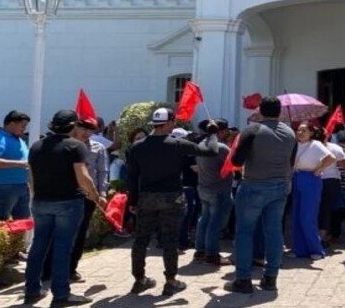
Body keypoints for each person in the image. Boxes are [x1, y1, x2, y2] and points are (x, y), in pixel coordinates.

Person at [126, 108, 219, 296]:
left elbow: (132, 178)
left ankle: (139, 280)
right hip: (172, 197)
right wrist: (213, 133)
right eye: (173, 122)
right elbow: (211, 151)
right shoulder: (177, 144)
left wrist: (133, 201)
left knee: (141, 240)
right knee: (170, 240)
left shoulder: (136, 147)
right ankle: (171, 281)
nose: (175, 125)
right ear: (168, 123)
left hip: (147, 198)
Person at [23, 110, 106, 306]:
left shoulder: (36, 146)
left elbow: (32, 178)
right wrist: (94, 195)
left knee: (38, 246)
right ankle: (61, 294)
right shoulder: (75, 146)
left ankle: (31, 290)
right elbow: (83, 177)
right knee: (63, 247)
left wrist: (37, 197)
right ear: (73, 125)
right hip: (68, 202)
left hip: (41, 201)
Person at [225, 97, 296, 294]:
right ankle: (270, 278)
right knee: (273, 231)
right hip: (280, 185)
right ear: (279, 112)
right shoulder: (290, 132)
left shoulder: (253, 130)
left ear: (260, 111)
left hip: (255, 185)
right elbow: (291, 162)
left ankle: (243, 279)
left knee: (245, 232)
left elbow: (237, 161)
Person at [41, 118, 109, 283]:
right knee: (56, 233)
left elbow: (102, 172)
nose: (86, 132)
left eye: (90, 129)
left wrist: (102, 194)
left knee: (79, 234)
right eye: (82, 128)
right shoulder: (65, 146)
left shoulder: (98, 148)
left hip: (87, 197)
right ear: (74, 127)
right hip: (63, 195)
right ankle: (47, 270)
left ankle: (71, 269)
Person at [290, 122, 334, 260]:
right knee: (296, 216)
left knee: (307, 217)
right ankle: (300, 249)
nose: (300, 133)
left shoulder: (316, 144)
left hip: (310, 178)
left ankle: (316, 249)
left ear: (311, 133)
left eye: (303, 130)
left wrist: (319, 169)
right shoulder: (294, 144)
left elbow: (331, 158)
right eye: (298, 130)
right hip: (296, 176)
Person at [192, 119, 233, 266]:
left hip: (204, 188)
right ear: (221, 131)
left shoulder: (201, 145)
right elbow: (233, 166)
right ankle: (212, 254)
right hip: (219, 190)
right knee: (215, 223)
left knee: (204, 220)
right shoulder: (222, 148)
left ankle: (200, 250)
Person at [0, 111, 31, 223]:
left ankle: (19, 241)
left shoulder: (19, 139)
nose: (24, 129)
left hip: (21, 185)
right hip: (3, 186)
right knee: (0, 221)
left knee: (22, 221)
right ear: (12, 124)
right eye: (22, 125)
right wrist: (21, 164)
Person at [314, 126, 345, 249]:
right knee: (327, 210)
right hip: (332, 181)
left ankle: (313, 235)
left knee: (313, 208)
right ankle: (322, 237)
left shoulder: (310, 147)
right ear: (327, 136)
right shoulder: (336, 148)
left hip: (314, 179)